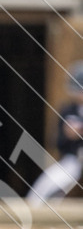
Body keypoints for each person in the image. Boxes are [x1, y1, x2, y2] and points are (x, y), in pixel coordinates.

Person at [26, 61, 83, 205]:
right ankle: (36, 208)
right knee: (45, 186)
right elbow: (57, 142)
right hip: (75, 160)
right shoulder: (68, 111)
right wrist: (69, 135)